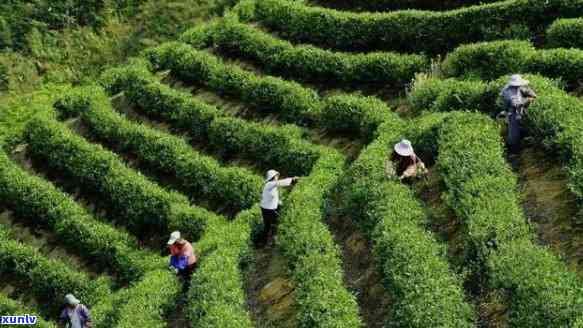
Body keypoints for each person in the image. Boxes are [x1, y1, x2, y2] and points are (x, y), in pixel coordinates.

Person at [258, 170, 299, 246]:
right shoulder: (269, 184)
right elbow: (280, 183)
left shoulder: (272, 186)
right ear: (272, 177)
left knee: (268, 226)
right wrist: (292, 179)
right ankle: (271, 241)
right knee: (275, 224)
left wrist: (280, 204)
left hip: (268, 208)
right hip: (268, 209)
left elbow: (274, 198)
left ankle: (265, 242)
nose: (277, 177)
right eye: (276, 176)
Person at [499, 74, 537, 153]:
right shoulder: (509, 92)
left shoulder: (520, 88)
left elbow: (532, 94)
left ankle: (521, 146)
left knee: (523, 130)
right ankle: (513, 151)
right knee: (514, 135)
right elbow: (516, 104)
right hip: (513, 113)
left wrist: (530, 95)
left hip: (519, 112)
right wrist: (528, 100)